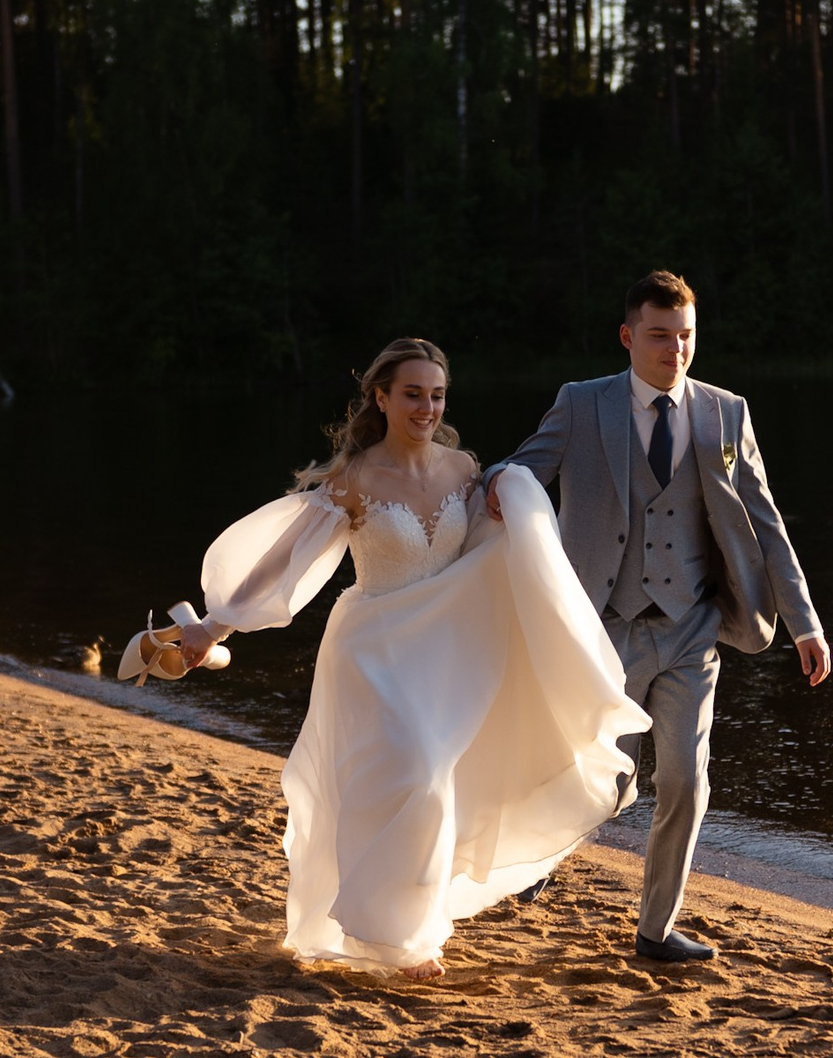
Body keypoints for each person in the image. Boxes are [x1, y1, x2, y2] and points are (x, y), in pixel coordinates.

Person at [167, 339, 650, 979]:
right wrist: (214, 624)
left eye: (437, 395)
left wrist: (513, 488)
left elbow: (492, 545)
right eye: (413, 394)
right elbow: (285, 562)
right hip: (373, 652)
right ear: (382, 398)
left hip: (448, 652)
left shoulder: (465, 470)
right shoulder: (355, 478)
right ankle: (397, 939)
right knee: (409, 777)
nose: (427, 407)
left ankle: (411, 929)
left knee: (437, 783)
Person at [489, 271, 829, 964]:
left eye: (686, 337)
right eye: (660, 336)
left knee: (686, 780)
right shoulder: (583, 405)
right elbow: (525, 470)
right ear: (627, 336)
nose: (675, 350)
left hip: (693, 628)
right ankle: (543, 850)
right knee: (611, 784)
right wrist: (490, 482)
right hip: (602, 625)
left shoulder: (725, 414)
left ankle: (655, 928)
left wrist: (805, 622)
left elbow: (766, 523)